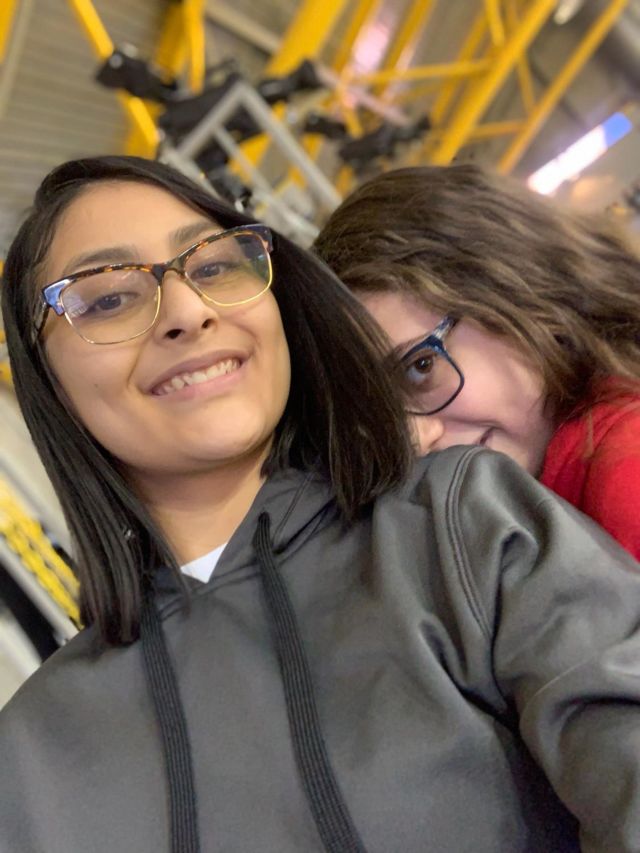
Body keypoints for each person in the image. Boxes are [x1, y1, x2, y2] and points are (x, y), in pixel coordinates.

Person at [2, 156, 640, 853]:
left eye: (213, 266)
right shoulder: (31, 756)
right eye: (107, 299)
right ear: (45, 380)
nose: (187, 311)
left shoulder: (463, 527)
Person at [315, 163, 640, 560]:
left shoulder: (624, 476)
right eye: (380, 420)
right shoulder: (551, 503)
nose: (417, 439)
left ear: (510, 286)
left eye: (421, 367)